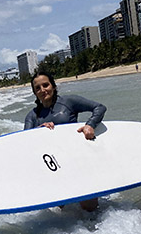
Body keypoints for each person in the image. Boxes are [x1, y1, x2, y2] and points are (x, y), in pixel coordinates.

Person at [24, 71, 107, 212]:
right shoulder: (32, 116)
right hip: (53, 166)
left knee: (90, 209)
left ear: (53, 86)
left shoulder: (69, 102)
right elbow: (25, 142)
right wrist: (39, 130)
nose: (43, 90)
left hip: (78, 159)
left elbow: (99, 107)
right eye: (38, 88)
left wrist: (90, 125)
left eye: (46, 85)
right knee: (62, 212)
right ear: (34, 92)